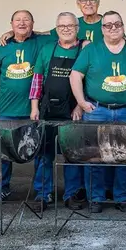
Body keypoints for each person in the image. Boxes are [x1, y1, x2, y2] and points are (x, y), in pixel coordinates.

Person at [70, 11, 126, 213]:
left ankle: (122, 197)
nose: (113, 28)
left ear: (123, 26)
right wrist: (81, 102)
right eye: (108, 25)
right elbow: (75, 75)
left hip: (124, 111)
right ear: (102, 29)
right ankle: (96, 198)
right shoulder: (91, 49)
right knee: (94, 156)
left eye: (117, 24)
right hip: (97, 111)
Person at [0, 10, 54, 203]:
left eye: (26, 20)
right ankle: (0, 188)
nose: (22, 23)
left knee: (42, 152)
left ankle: (43, 192)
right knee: (3, 152)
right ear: (11, 23)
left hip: (34, 110)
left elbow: (65, 31)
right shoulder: (1, 47)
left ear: (33, 23)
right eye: (18, 20)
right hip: (5, 109)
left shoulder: (42, 42)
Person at [29, 12, 85, 209]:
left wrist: (79, 106)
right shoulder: (47, 49)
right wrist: (34, 107)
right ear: (56, 28)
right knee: (44, 154)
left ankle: (72, 194)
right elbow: (37, 80)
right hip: (47, 109)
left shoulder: (85, 49)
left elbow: (88, 81)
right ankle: (43, 194)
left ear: (77, 28)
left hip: (72, 111)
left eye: (70, 26)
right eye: (61, 26)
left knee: (72, 154)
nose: (66, 29)